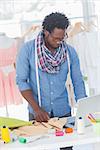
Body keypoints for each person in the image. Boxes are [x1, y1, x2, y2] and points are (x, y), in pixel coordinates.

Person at [16, 12, 87, 150]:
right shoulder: (28, 50)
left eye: (62, 38)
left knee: (66, 147)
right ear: (46, 33)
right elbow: (22, 81)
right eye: (56, 38)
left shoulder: (69, 52)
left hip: (63, 111)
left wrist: (83, 108)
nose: (59, 42)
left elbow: (77, 81)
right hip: (38, 113)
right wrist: (36, 109)